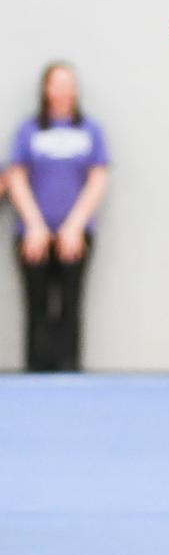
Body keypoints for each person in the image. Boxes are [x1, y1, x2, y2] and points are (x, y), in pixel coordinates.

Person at [6, 63, 109, 373]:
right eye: (57, 84)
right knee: (36, 305)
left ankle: (68, 369)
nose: (63, 90)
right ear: (46, 89)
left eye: (69, 84)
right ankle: (35, 371)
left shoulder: (90, 130)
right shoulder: (30, 130)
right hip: (32, 234)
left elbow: (98, 178)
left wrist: (74, 226)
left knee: (70, 304)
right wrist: (35, 225)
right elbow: (16, 177)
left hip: (75, 234)